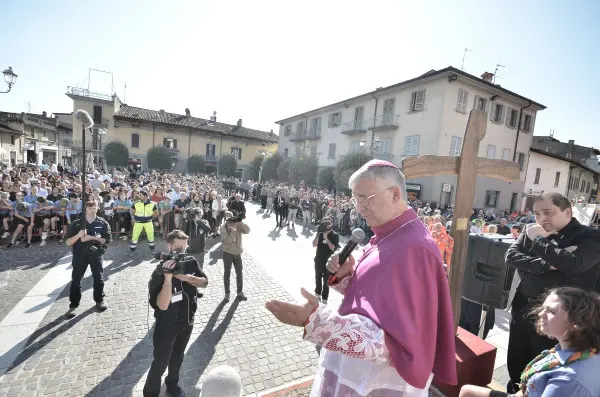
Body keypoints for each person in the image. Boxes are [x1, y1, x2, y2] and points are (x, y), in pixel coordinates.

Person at [266, 159, 457, 396]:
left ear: (395, 194)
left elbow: (399, 345)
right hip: (355, 368)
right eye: (356, 199)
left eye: (365, 198)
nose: (358, 207)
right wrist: (347, 276)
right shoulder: (390, 233)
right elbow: (378, 302)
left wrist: (318, 322)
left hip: (376, 379)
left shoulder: (415, 248)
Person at [504, 192, 600, 393]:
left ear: (567, 211)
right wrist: (548, 264)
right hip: (524, 307)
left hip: (562, 317)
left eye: (548, 212)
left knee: (547, 365)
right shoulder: (532, 230)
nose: (541, 219)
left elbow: (573, 265)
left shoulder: (589, 236)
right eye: (537, 213)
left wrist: (539, 240)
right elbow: (511, 256)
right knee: (516, 356)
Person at [460, 287, 600, 397]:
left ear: (575, 324)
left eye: (551, 312)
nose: (540, 314)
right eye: (544, 307)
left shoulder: (568, 381)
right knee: (467, 391)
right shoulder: (576, 350)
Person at [144, 230, 208, 397]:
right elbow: (162, 306)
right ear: (169, 246)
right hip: (167, 324)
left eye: (184, 249)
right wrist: (168, 278)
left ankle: (172, 386)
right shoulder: (159, 272)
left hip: (187, 321)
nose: (181, 253)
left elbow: (204, 282)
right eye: (177, 249)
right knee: (160, 362)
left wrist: (185, 277)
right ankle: (151, 393)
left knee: (178, 357)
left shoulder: (191, 262)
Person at [65, 199, 111, 318]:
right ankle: (73, 305)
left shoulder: (103, 223)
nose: (92, 210)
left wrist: (91, 238)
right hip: (79, 255)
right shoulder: (76, 224)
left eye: (94, 207)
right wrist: (78, 236)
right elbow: (68, 242)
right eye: (89, 208)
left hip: (96, 255)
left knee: (98, 278)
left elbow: (107, 240)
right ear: (85, 209)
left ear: (97, 208)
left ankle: (100, 300)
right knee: (76, 280)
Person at [219, 211, 250, 302]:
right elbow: (227, 241)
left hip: (237, 253)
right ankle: (227, 293)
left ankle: (239, 292)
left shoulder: (237, 224)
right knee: (227, 273)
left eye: (231, 218)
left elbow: (247, 231)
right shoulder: (222, 227)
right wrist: (233, 230)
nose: (229, 221)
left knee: (239, 273)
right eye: (227, 219)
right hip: (227, 253)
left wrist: (240, 222)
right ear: (224, 219)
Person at [312, 216, 339, 305]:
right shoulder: (320, 233)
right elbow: (314, 244)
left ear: (332, 224)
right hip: (319, 259)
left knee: (327, 281)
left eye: (329, 223)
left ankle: (324, 298)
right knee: (317, 278)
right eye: (325, 222)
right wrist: (318, 233)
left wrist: (326, 238)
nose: (327, 225)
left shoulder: (335, 235)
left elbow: (333, 249)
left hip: (328, 262)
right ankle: (317, 293)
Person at [130, 190, 158, 255]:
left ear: (145, 196)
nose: (139, 196)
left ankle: (152, 249)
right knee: (135, 236)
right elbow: (132, 212)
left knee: (151, 236)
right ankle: (132, 250)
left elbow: (156, 213)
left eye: (140, 195)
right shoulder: (136, 203)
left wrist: (150, 217)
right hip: (138, 223)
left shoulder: (153, 204)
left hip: (148, 223)